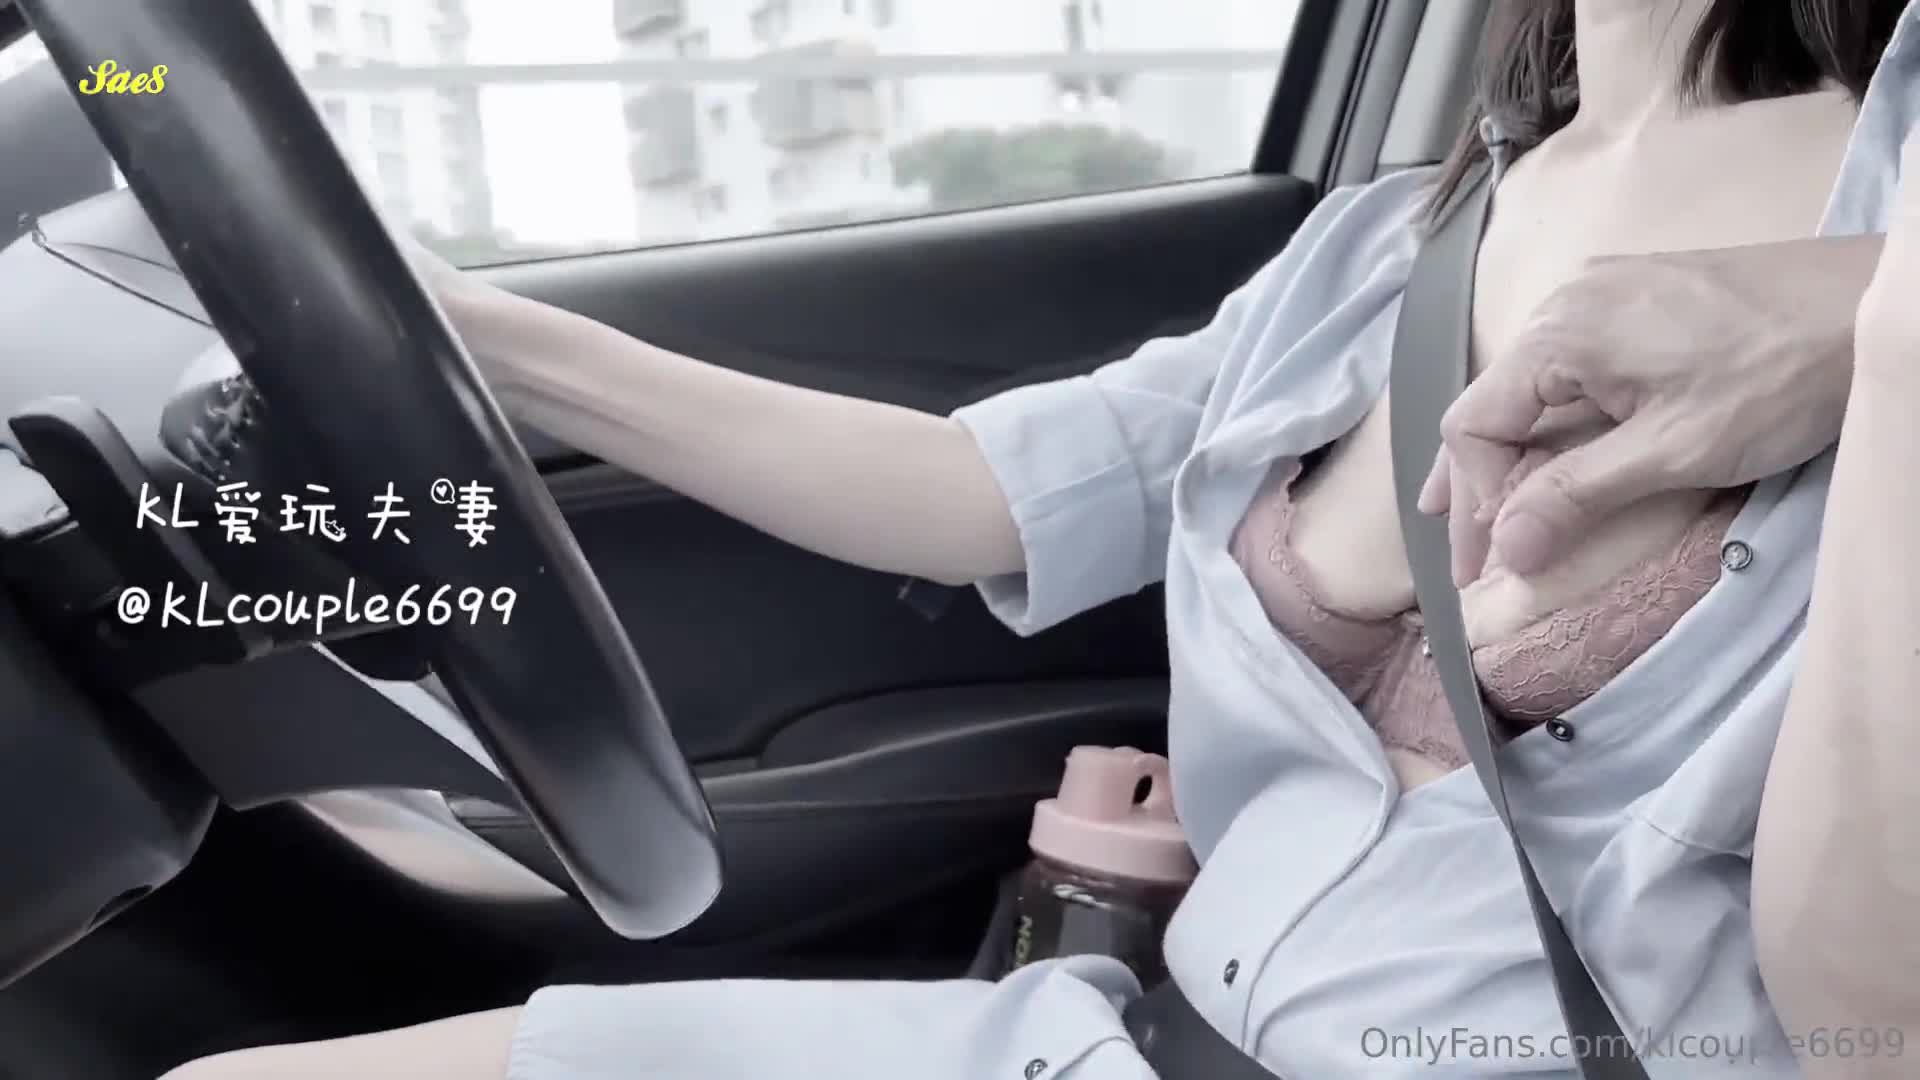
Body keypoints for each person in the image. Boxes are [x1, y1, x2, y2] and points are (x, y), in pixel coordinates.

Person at [162, 1, 1919, 1077]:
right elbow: (981, 490)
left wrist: (1882, 322)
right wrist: (470, 331)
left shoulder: (1891, 224)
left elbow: (1872, 1016)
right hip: (1133, 1044)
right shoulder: (1387, 244)